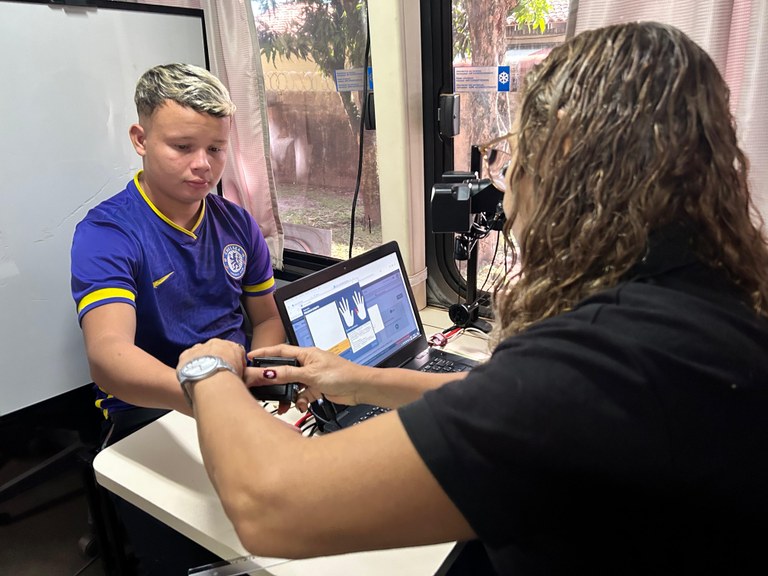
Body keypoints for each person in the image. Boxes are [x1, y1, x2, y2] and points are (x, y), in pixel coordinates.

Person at [177, 22, 768, 575]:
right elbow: (512, 403)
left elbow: (269, 503)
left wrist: (209, 370)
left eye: (516, 156)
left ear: (567, 165)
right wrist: (358, 381)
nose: (506, 188)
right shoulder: (698, 306)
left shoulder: (613, 364)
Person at [70, 63, 285, 574]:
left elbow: (267, 318)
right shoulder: (108, 233)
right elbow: (109, 358)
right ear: (140, 139)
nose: (203, 166)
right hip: (151, 407)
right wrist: (205, 396)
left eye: (215, 149)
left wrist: (256, 375)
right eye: (182, 147)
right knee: (209, 546)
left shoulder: (236, 221)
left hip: (236, 388)